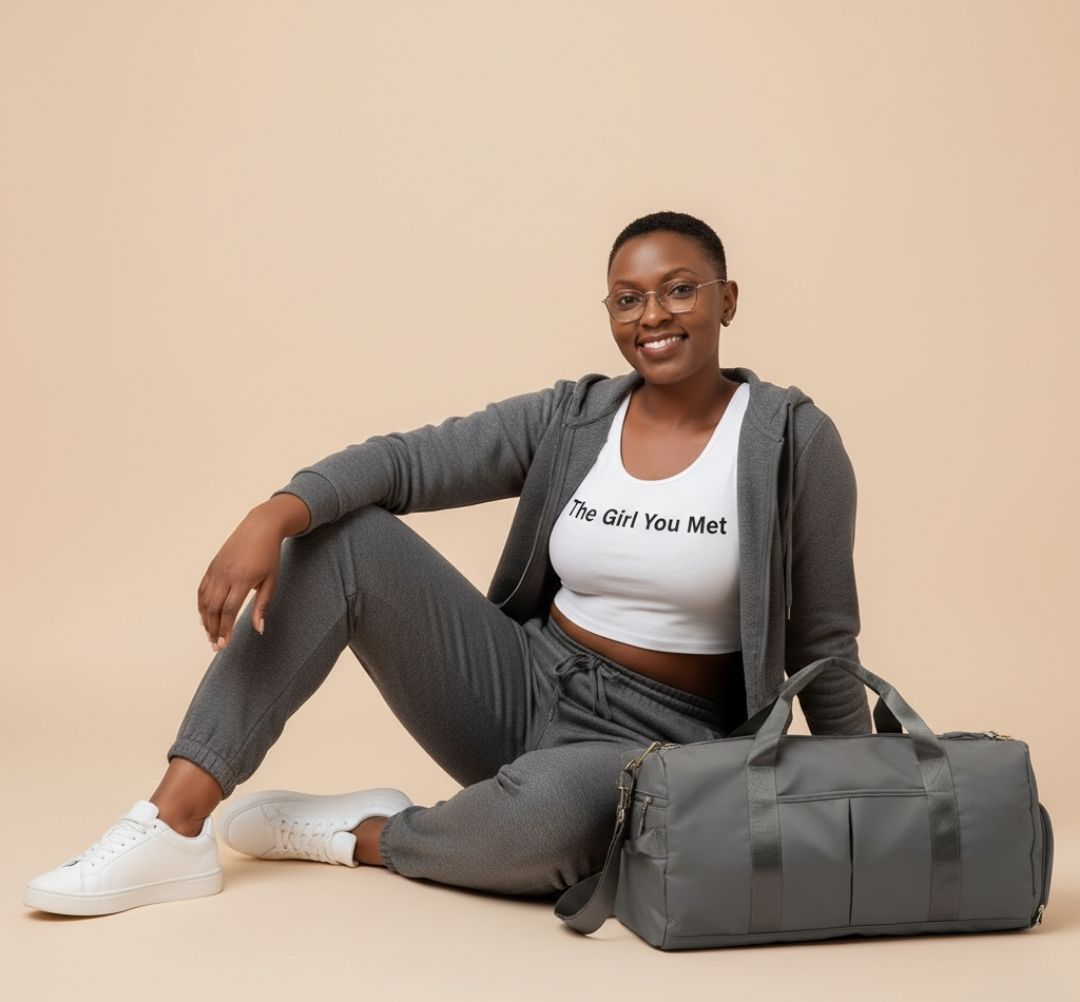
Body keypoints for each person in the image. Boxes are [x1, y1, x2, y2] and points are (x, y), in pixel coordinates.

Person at [24, 210, 872, 917]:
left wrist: (865, 800)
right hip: (523, 685)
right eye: (628, 299)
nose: (653, 316)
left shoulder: (790, 442)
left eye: (679, 290)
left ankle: (370, 834)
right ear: (608, 314)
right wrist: (273, 511)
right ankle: (172, 828)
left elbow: (826, 638)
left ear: (726, 300)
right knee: (342, 535)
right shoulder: (574, 418)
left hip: (666, 745)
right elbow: (406, 462)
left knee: (556, 825)